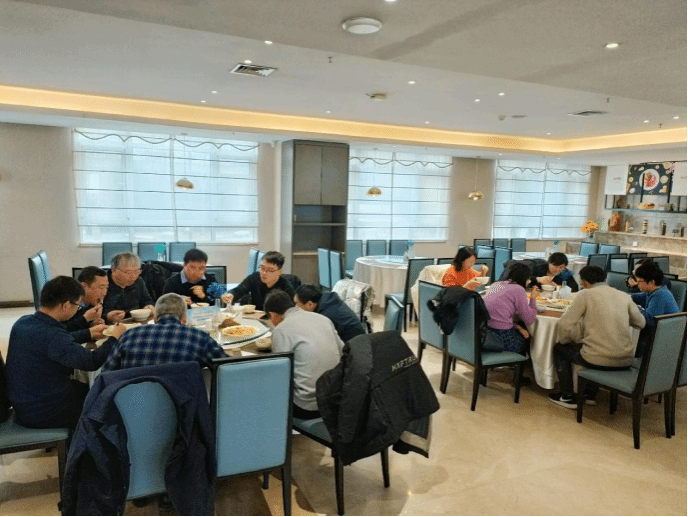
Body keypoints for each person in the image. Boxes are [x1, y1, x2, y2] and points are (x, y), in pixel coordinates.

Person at [4, 276, 125, 430]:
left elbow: (56, 340)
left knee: (87, 388)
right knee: (104, 397)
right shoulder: (53, 336)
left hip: (23, 401)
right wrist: (114, 338)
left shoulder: (24, 321)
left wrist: (88, 333)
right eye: (78, 305)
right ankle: (90, 441)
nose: (77, 309)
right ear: (66, 305)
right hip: (42, 411)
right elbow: (91, 361)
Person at [549, 266, 645, 409]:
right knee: (593, 347)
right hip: (625, 358)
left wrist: (565, 341)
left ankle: (567, 395)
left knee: (560, 349)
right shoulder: (624, 296)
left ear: (584, 283)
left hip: (598, 358)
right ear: (605, 279)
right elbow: (641, 323)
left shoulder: (585, 294)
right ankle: (589, 395)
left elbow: (564, 324)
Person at [264, 290, 344, 419]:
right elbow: (343, 351)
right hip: (337, 398)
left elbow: (281, 374)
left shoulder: (281, 330)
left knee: (265, 387)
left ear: (272, 315)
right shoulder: (323, 318)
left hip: (307, 406)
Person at [101, 293, 227, 371]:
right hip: (184, 405)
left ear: (155, 317)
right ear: (184, 319)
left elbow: (106, 373)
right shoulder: (198, 337)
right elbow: (226, 368)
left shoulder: (128, 336)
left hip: (133, 405)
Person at [482, 262, 538, 354]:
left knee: (521, 329)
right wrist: (533, 298)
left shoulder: (495, 285)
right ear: (525, 278)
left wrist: (517, 327)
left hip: (486, 334)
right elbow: (529, 319)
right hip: (502, 338)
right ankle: (517, 361)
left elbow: (498, 315)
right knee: (529, 338)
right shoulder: (519, 289)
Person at [630, 261, 680, 358]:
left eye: (639, 281)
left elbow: (648, 320)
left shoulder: (659, 295)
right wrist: (622, 297)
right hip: (658, 333)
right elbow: (635, 297)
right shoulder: (654, 291)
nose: (637, 284)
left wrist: (634, 308)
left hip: (663, 340)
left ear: (651, 282)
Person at [221, 251, 296, 311]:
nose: (264, 273)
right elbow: (239, 290)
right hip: (256, 318)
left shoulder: (286, 288)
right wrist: (230, 295)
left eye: (270, 270)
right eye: (262, 268)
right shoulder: (255, 277)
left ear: (279, 272)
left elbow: (291, 311)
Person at [294, 284, 366, 344]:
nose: (296, 307)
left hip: (353, 348)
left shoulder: (325, 316)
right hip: (357, 340)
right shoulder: (328, 301)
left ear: (310, 304)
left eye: (297, 304)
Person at [102, 252, 155, 323]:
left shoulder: (139, 281)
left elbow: (147, 300)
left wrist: (148, 306)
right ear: (114, 270)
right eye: (128, 272)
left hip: (135, 323)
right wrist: (107, 317)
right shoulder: (102, 283)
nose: (133, 276)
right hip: (111, 325)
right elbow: (92, 314)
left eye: (137, 271)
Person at [65, 266, 109, 343]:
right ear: (83, 286)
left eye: (106, 288)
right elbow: (61, 333)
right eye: (101, 288)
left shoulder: (91, 303)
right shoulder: (67, 303)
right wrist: (85, 319)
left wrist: (94, 323)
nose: (104, 293)